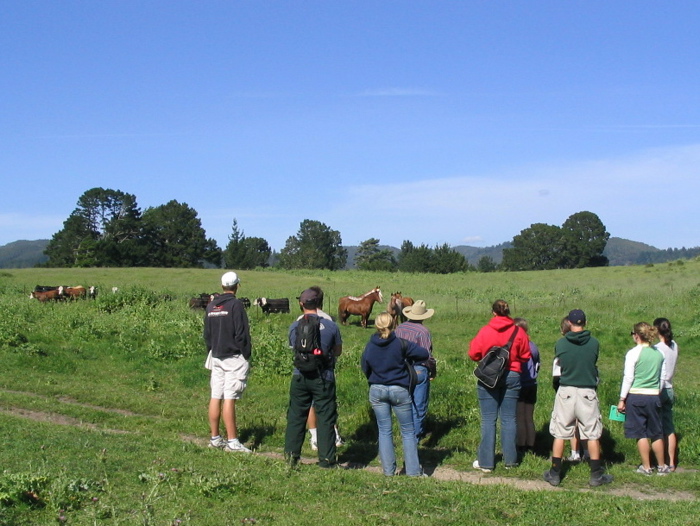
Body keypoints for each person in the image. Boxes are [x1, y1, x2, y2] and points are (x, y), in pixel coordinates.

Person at [544, 309, 613, 486]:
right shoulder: (594, 343)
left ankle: (555, 472)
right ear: (585, 323)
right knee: (592, 434)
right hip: (586, 391)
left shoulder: (561, 344)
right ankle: (596, 474)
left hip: (566, 389)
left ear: (569, 323)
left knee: (560, 433)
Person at [361, 312, 429, 476]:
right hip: (399, 389)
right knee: (407, 431)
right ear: (394, 325)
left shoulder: (370, 345)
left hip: (377, 389)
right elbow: (424, 354)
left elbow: (364, 365)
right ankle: (413, 472)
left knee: (384, 430)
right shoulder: (400, 344)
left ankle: (388, 471)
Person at [468, 299, 531, 472]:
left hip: (489, 376)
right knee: (509, 418)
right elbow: (526, 355)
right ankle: (510, 460)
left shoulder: (485, 331)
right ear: (508, 312)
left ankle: (486, 462)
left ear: (493, 312)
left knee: (488, 419)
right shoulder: (518, 332)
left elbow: (473, 353)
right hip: (512, 375)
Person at [285, 288, 343, 468]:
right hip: (323, 376)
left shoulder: (295, 326)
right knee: (325, 417)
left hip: (300, 376)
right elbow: (338, 351)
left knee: (296, 415)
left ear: (301, 304)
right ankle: (326, 459)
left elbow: (292, 348)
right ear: (319, 304)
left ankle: (291, 457)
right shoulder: (331, 325)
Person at [204, 271, 252, 453]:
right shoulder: (236, 305)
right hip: (233, 356)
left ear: (222, 286)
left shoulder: (211, 306)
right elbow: (241, 333)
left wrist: (211, 350)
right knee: (230, 397)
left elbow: (207, 334)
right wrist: (246, 354)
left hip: (216, 355)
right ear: (237, 286)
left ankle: (215, 437)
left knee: (216, 395)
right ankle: (233, 442)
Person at [617, 322, 669, 475]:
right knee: (656, 433)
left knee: (641, 433)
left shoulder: (633, 353)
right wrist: (656, 391)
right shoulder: (659, 353)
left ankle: (646, 467)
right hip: (654, 396)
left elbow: (628, 378)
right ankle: (662, 466)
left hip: (636, 395)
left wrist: (622, 398)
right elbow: (663, 377)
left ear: (637, 335)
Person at [394, 299, 435, 441]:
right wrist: (433, 371)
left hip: (402, 368)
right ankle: (415, 436)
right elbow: (427, 355)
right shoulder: (423, 332)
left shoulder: (399, 328)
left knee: (406, 403)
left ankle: (406, 433)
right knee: (419, 405)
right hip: (418, 369)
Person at [552, 317, 587, 462]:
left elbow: (556, 376)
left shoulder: (562, 348)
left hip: (566, 390)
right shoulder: (587, 347)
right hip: (586, 389)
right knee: (584, 424)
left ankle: (574, 453)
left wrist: (557, 389)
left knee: (565, 426)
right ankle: (588, 454)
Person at [654, 317, 678, 471]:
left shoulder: (657, 348)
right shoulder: (674, 345)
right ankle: (672, 462)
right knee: (669, 427)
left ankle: (660, 461)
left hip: (659, 388)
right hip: (670, 387)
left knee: (657, 427)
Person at [514, 317, 539, 455]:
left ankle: (521, 444)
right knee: (529, 417)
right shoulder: (532, 345)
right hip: (532, 384)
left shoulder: (518, 345)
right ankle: (531, 444)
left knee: (519, 416)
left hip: (520, 383)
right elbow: (537, 363)